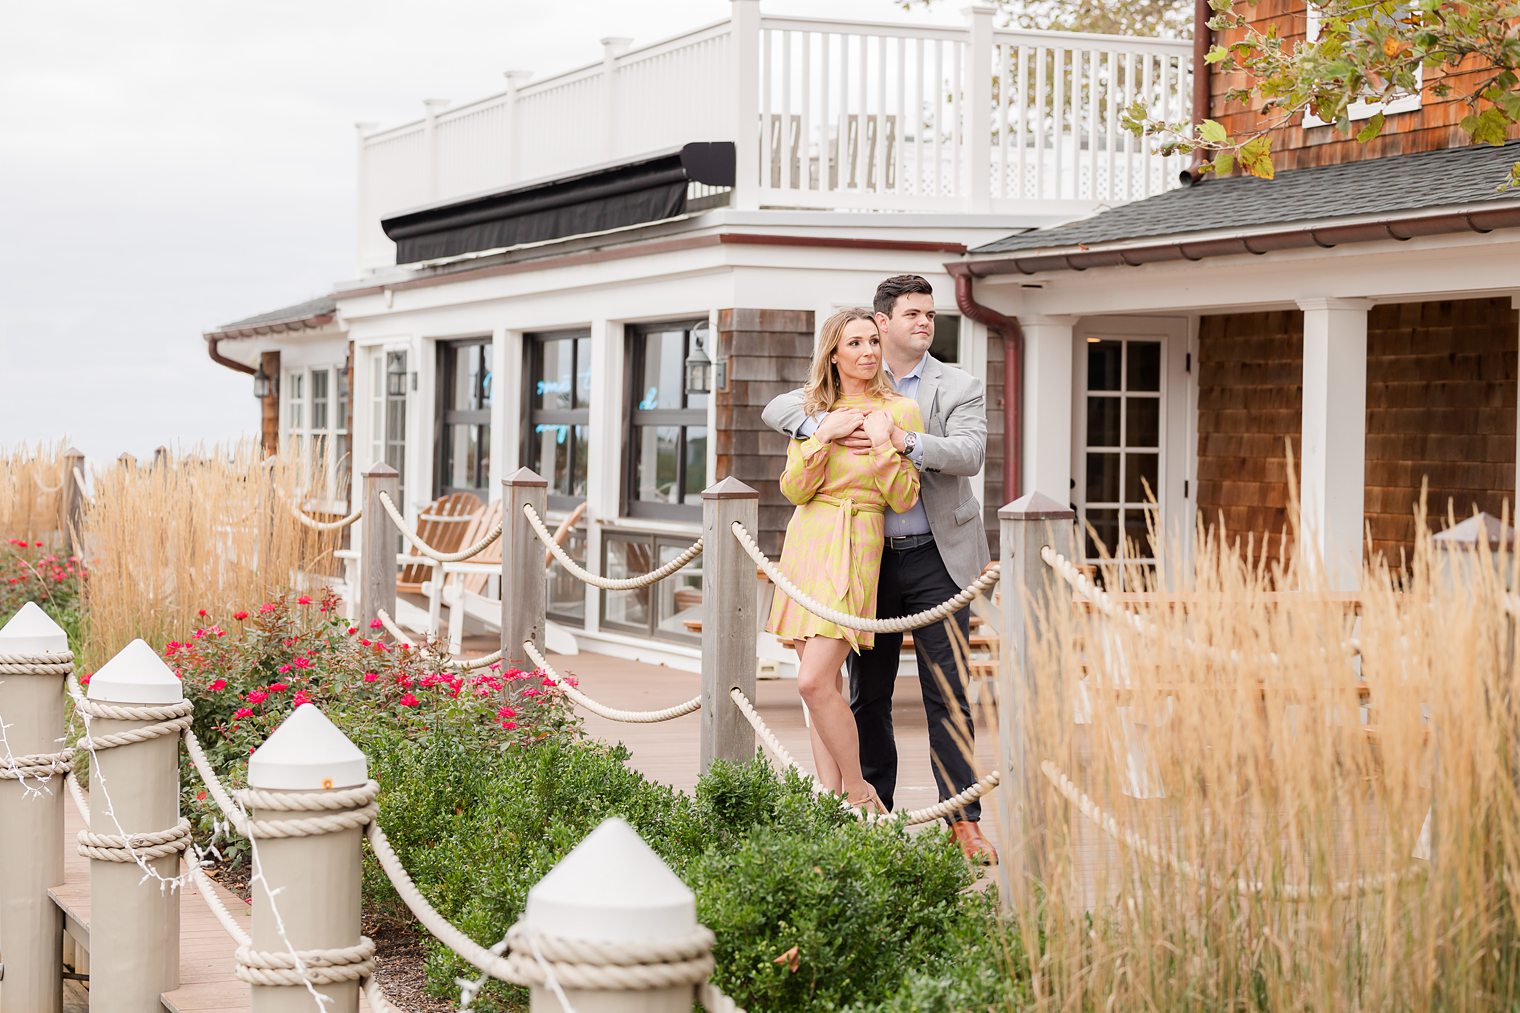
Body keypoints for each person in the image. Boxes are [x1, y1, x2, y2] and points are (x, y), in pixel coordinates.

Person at [762, 275, 997, 864]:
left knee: (949, 692)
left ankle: (961, 818)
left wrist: (903, 441)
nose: (924, 322)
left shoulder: (950, 387)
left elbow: (967, 454)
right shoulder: (830, 392)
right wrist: (823, 428)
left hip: (936, 557)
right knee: (868, 693)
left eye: (930, 314)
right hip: (861, 561)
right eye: (912, 313)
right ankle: (871, 812)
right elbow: (782, 410)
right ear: (880, 323)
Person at [765, 307, 923, 814]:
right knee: (821, 689)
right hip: (808, 541)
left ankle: (859, 790)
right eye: (855, 343)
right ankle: (830, 805)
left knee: (812, 679)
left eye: (873, 342)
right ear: (833, 353)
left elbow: (902, 498)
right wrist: (823, 435)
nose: (868, 352)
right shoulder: (814, 411)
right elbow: (793, 488)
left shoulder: (900, 410)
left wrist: (882, 445)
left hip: (857, 543)